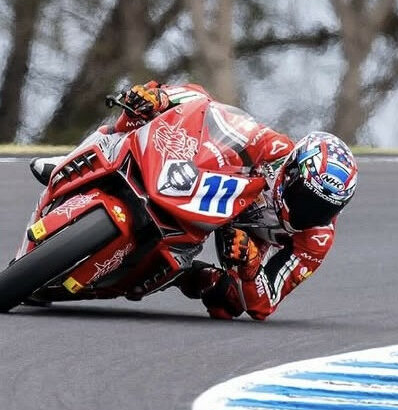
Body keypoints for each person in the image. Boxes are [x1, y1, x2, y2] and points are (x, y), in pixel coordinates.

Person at [28, 81, 358, 320]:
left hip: (241, 237)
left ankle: (185, 276)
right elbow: (205, 108)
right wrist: (160, 98)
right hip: (216, 190)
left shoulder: (316, 239)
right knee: (147, 110)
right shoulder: (272, 148)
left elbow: (265, 302)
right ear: (290, 173)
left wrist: (250, 264)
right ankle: (78, 157)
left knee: (227, 303)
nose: (309, 212)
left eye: (323, 209)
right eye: (306, 198)